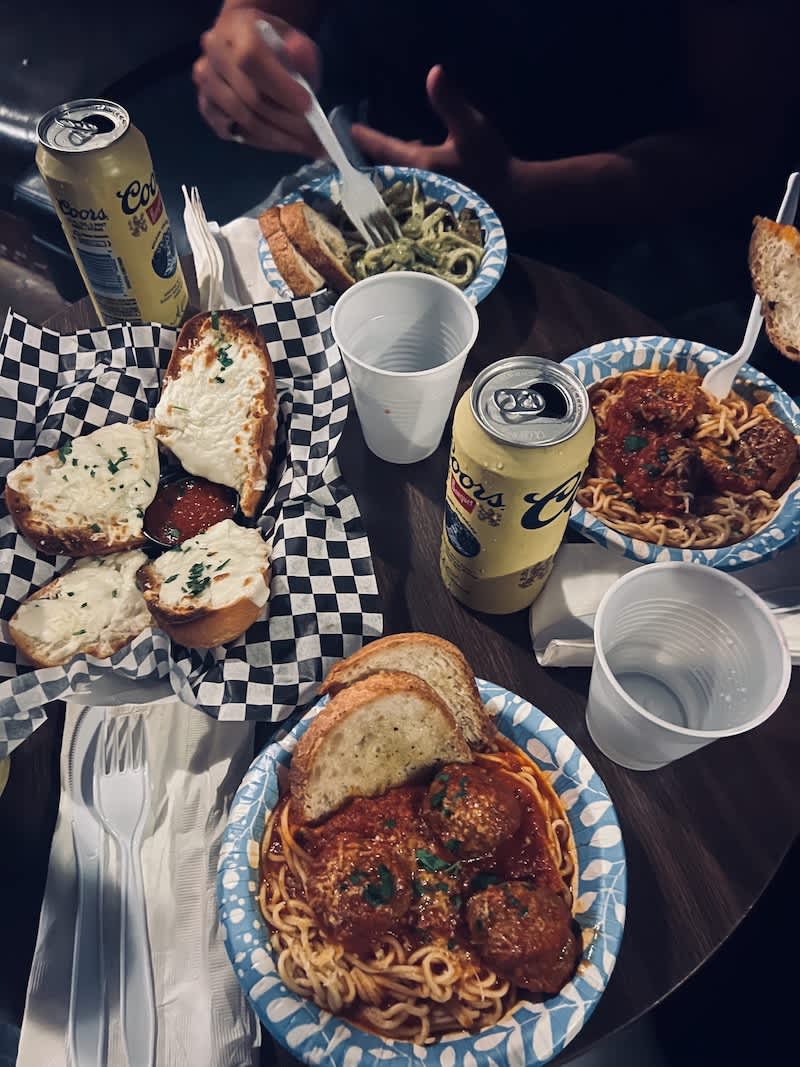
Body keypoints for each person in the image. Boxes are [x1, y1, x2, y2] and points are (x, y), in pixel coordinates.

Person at [192, 1, 800, 334]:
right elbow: (270, 14)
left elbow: (742, 138)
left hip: (615, 223)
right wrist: (248, 33)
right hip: (362, 167)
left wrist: (523, 194)